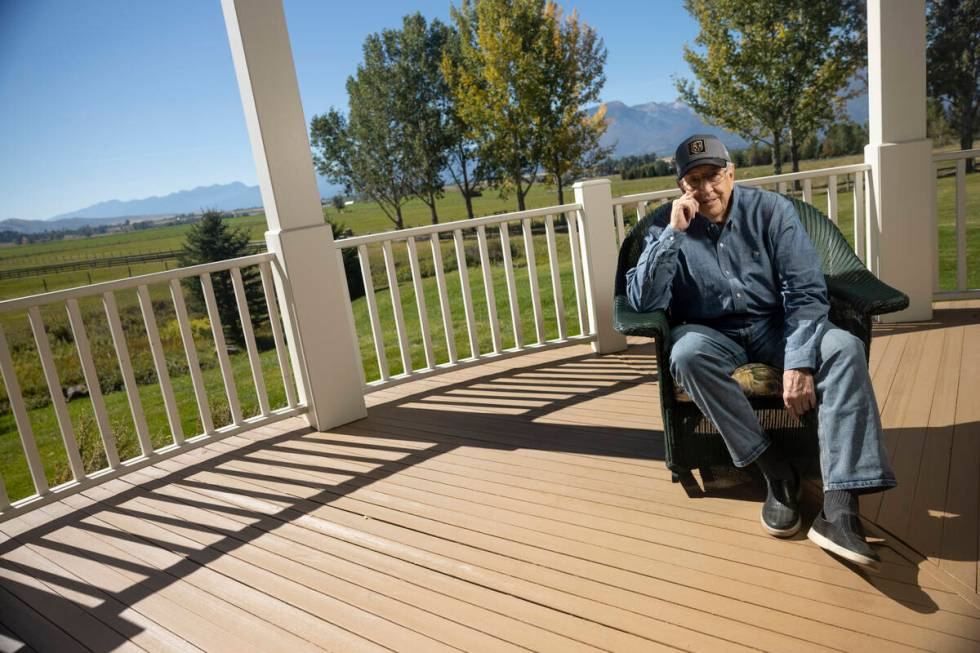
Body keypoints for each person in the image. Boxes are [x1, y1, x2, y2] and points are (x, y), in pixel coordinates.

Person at [626, 134, 896, 568]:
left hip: (778, 326)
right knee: (686, 354)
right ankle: (774, 469)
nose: (706, 188)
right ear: (682, 187)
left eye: (712, 175)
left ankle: (840, 508)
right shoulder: (666, 226)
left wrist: (799, 360)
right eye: (693, 180)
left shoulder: (772, 212)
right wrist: (672, 236)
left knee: (843, 348)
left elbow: (806, 292)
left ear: (731, 172)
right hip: (714, 333)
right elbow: (643, 303)